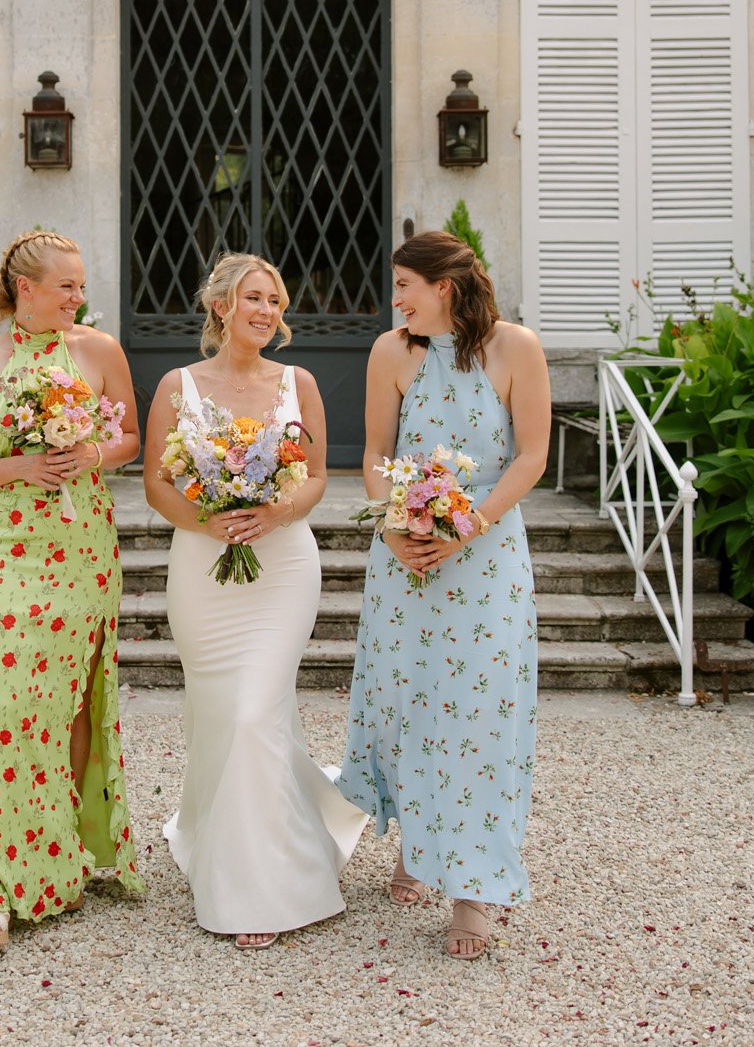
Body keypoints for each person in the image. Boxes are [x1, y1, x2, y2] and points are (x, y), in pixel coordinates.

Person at [336, 231, 551, 960]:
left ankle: (473, 890)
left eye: (404, 285)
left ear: (444, 288)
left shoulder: (516, 348)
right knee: (409, 701)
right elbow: (373, 455)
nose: (394, 300)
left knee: (483, 715)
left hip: (485, 558)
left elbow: (530, 457)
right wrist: (391, 527)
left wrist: (468, 528)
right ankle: (422, 844)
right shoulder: (389, 353)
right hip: (404, 556)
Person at [143, 254, 367, 949]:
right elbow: (156, 483)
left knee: (253, 712)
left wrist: (274, 514)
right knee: (222, 718)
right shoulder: (177, 386)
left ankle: (267, 891)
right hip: (203, 566)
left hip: (282, 567)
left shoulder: (297, 383)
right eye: (253, 298)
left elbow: (320, 474)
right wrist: (206, 520)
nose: (266, 311)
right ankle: (215, 837)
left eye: (274, 300)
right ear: (220, 307)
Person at [0, 231, 143, 948]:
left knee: (78, 699)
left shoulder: (99, 351)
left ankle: (71, 859)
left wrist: (88, 451)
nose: (78, 297)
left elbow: (129, 441)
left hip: (84, 548)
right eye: (66, 285)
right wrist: (23, 468)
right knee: (10, 707)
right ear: (24, 288)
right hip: (7, 554)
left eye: (80, 285)